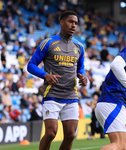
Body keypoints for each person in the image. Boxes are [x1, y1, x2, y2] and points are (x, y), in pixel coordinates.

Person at [27, 11, 87, 150]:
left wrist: (82, 76)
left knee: (71, 135)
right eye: (70, 22)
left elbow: (81, 67)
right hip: (52, 95)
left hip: (71, 96)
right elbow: (31, 65)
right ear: (61, 22)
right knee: (50, 133)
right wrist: (45, 75)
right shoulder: (48, 43)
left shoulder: (79, 47)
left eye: (76, 23)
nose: (74, 25)